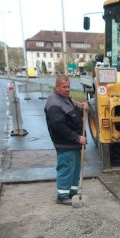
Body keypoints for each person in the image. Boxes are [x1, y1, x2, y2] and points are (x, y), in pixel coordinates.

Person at [44, 75, 87, 205]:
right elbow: (59, 127)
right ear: (57, 88)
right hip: (65, 143)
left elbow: (73, 112)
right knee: (66, 168)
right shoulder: (54, 104)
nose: (67, 89)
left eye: (68, 86)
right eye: (64, 87)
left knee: (75, 169)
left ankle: (72, 192)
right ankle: (62, 196)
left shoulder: (65, 99)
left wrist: (81, 107)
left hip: (73, 144)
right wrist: (77, 137)